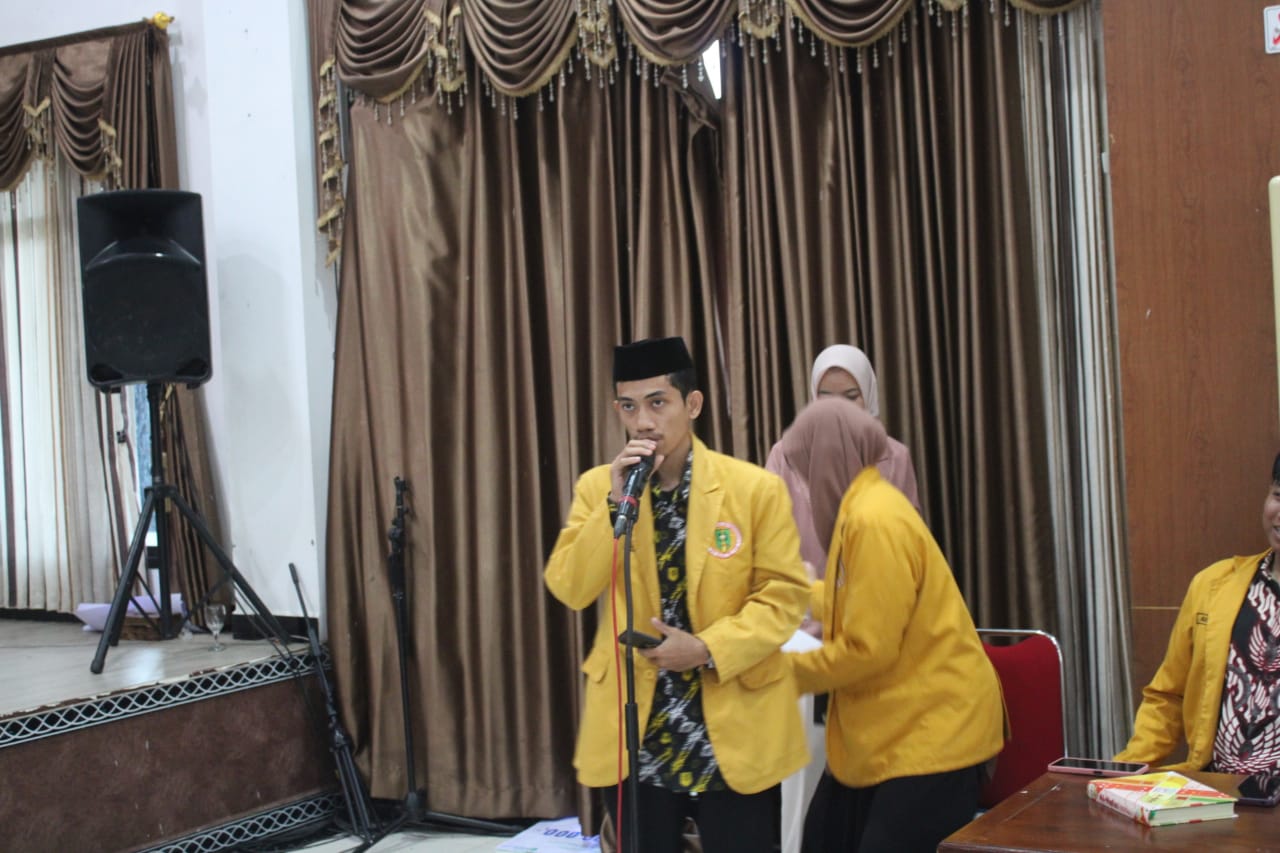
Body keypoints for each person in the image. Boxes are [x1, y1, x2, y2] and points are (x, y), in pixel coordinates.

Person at [544, 336, 811, 853]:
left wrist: (707, 648)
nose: (643, 422)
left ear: (693, 404)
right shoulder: (600, 486)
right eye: (628, 406)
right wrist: (614, 502)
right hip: (638, 731)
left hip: (732, 725)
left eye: (657, 403)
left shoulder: (753, 489)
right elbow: (570, 587)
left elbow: (783, 600)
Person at [780, 398, 1004, 853]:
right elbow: (859, 601)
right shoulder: (863, 507)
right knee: (823, 835)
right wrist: (795, 594)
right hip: (894, 732)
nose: (805, 486)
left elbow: (868, 648)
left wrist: (778, 675)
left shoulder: (873, 520)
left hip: (932, 737)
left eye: (805, 471)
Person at [1115, 452, 1280, 781]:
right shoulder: (1214, 584)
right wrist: (1124, 770)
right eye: (1278, 495)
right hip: (1216, 788)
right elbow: (1169, 696)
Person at [765, 344, 920, 577]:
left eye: (851, 396)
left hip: (877, 591)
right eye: (825, 396)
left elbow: (910, 539)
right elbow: (768, 534)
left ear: (869, 397)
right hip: (806, 595)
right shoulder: (784, 455)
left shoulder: (896, 457)